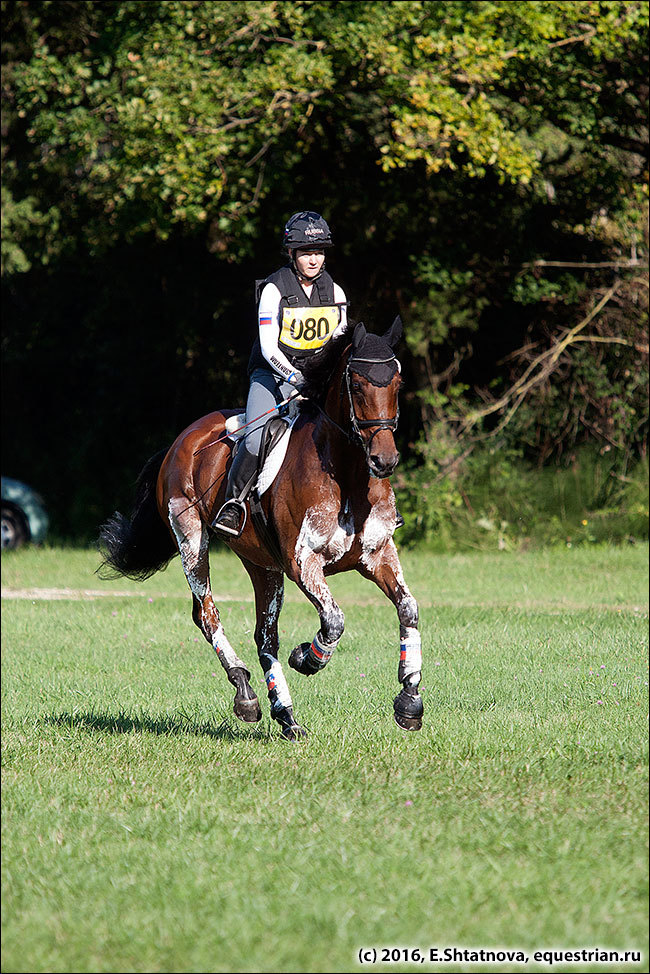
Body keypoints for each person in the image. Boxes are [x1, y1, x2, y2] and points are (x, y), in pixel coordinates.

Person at [213, 210, 350, 537]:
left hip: (315, 382)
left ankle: (377, 503)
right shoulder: (274, 290)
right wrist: (296, 380)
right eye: (306, 253)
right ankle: (233, 504)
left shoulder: (337, 294)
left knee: (358, 427)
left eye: (318, 252)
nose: (314, 260)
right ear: (292, 253)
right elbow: (269, 348)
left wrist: (323, 383)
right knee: (258, 435)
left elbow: (339, 347)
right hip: (272, 377)